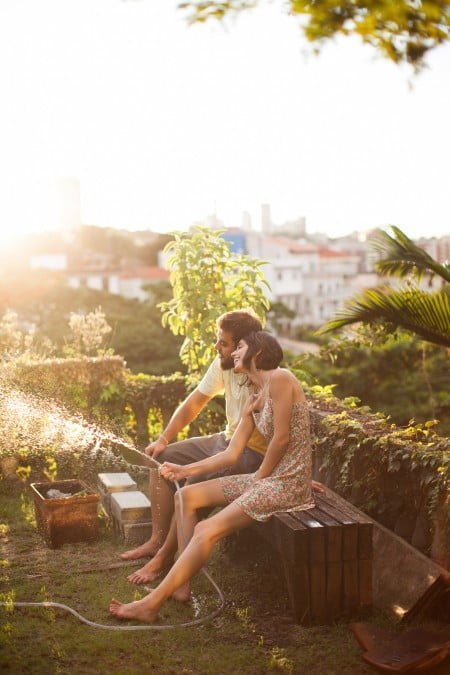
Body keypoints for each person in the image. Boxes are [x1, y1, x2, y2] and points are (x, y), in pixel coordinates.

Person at [110, 331, 315, 622]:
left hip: (287, 483)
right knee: (185, 496)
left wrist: (258, 478)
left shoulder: (280, 378)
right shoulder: (256, 398)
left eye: (240, 346)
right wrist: (185, 470)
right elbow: (230, 455)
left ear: (257, 352)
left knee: (206, 530)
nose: (233, 352)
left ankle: (152, 603)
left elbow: (281, 439)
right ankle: (180, 585)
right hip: (267, 479)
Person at [120, 310, 268, 584]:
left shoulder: (262, 377)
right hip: (226, 439)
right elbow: (195, 401)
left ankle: (164, 559)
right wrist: (164, 438)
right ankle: (156, 540)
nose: (216, 347)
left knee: (190, 488)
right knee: (160, 458)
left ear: (243, 347)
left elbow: (280, 436)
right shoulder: (223, 364)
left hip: (249, 454)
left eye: (222, 343)